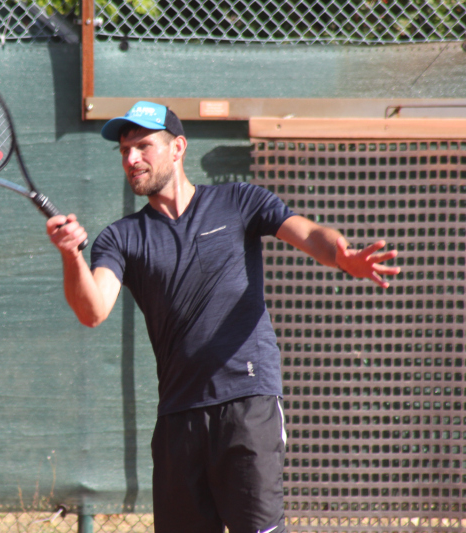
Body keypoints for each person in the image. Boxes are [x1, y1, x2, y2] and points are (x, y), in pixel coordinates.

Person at [46, 101, 400, 533]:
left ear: (177, 147)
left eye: (142, 146)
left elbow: (309, 234)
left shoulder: (239, 201)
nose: (131, 158)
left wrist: (342, 256)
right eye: (124, 150)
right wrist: (70, 256)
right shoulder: (121, 239)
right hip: (179, 418)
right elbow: (92, 310)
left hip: (247, 404)